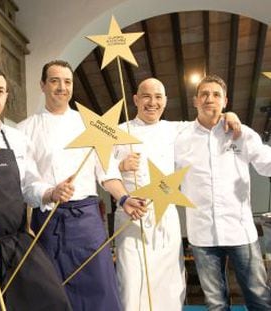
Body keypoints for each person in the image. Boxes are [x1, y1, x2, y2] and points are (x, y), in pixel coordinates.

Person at [17, 60, 147, 311]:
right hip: (48, 221)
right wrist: (50, 192)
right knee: (52, 291)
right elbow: (27, 182)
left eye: (67, 82)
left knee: (100, 289)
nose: (61, 87)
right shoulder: (25, 130)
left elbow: (106, 172)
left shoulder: (90, 125)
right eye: (54, 81)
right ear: (42, 85)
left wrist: (124, 199)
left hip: (86, 220)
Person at [114, 78, 243, 311]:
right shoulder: (118, 133)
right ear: (135, 99)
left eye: (158, 97)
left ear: (165, 101)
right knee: (131, 282)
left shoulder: (177, 129)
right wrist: (120, 167)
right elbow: (101, 173)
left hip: (166, 217)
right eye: (146, 96)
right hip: (131, 217)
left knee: (170, 284)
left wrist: (229, 115)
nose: (152, 102)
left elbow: (208, 118)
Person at [0, 65, 72, 310]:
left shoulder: (17, 139)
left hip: (15, 243)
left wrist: (50, 193)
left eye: (0, 91)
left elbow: (29, 185)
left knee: (53, 300)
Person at [175, 74, 271, 310]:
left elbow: (266, 162)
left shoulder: (242, 133)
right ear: (195, 100)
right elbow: (165, 175)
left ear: (225, 101)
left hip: (240, 230)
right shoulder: (181, 138)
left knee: (259, 297)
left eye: (216, 94)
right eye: (204, 94)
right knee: (216, 303)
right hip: (202, 234)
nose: (210, 99)